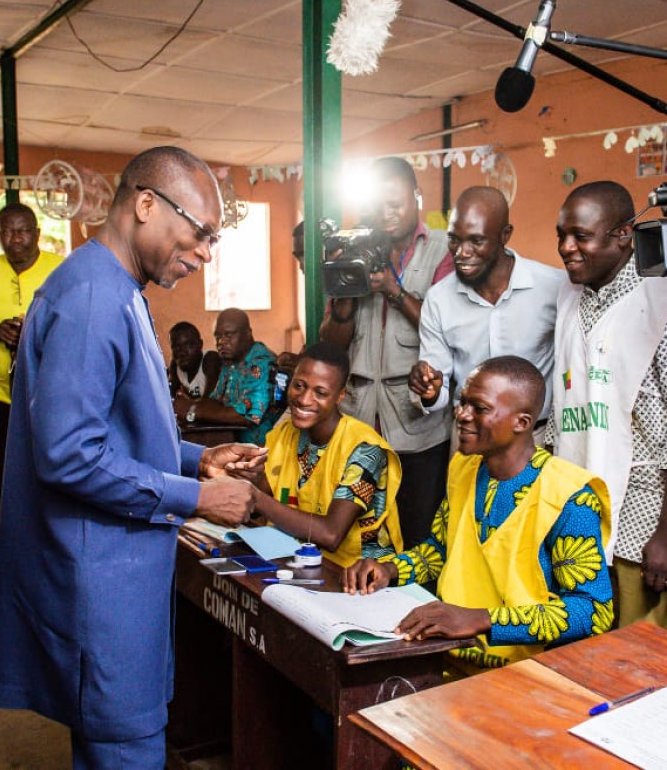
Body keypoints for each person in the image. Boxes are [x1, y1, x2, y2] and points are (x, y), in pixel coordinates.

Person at [0, 146, 264, 768]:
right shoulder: (92, 300)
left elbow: (115, 428)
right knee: (125, 750)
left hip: (119, 580)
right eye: (200, 234)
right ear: (146, 205)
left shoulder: (116, 287)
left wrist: (198, 460)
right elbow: (70, 457)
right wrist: (197, 497)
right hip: (101, 587)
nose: (204, 254)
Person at [344, 356, 612, 670]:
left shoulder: (570, 496)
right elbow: (442, 550)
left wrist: (481, 619)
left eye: (479, 408)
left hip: (528, 673)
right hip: (450, 655)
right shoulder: (464, 469)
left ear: (522, 422)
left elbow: (592, 610)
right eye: (462, 403)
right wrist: (391, 570)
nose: (462, 415)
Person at [550, 181, 667, 633]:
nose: (566, 248)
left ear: (623, 235)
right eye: (562, 234)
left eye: (581, 236)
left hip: (647, 506)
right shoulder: (571, 295)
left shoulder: (665, 292)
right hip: (581, 498)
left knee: (642, 652)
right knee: (584, 639)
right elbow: (564, 400)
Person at [320, 157, 455, 546]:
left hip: (418, 426)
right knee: (358, 536)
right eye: (379, 205)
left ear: (417, 197)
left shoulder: (443, 250)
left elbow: (446, 329)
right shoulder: (355, 247)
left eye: (395, 204)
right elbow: (333, 346)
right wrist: (344, 301)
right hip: (360, 420)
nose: (387, 213)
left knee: (416, 534)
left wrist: (392, 290)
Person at [410, 186, 566, 429]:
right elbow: (436, 389)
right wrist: (430, 390)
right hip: (469, 434)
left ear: (505, 235)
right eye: (454, 239)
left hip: (537, 437)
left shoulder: (553, 288)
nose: (461, 253)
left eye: (476, 240)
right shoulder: (439, 298)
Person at [240, 341, 403, 567]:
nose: (304, 399)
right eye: (299, 385)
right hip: (299, 560)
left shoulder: (365, 449)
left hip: (359, 575)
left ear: (340, 396)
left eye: (320, 392)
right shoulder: (285, 434)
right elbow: (257, 501)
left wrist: (253, 497)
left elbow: (330, 534)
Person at [0, 203, 63, 500]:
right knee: (7, 475)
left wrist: (34, 333)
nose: (15, 238)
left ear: (37, 234)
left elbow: (84, 323)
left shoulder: (61, 269)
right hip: (5, 394)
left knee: (52, 467)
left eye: (23, 231)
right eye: (7, 231)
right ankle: (11, 534)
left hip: (53, 393)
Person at [175, 308, 277, 443]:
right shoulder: (231, 362)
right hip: (229, 441)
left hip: (257, 450)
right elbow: (215, 401)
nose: (221, 342)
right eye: (217, 336)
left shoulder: (261, 363)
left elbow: (245, 416)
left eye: (228, 335)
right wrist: (190, 405)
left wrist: (192, 411)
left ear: (248, 333)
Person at [167, 321, 221, 400]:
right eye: (176, 347)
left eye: (188, 345)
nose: (182, 352)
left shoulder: (210, 360)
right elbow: (169, 396)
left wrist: (188, 406)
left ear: (200, 344)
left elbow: (210, 403)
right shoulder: (175, 364)